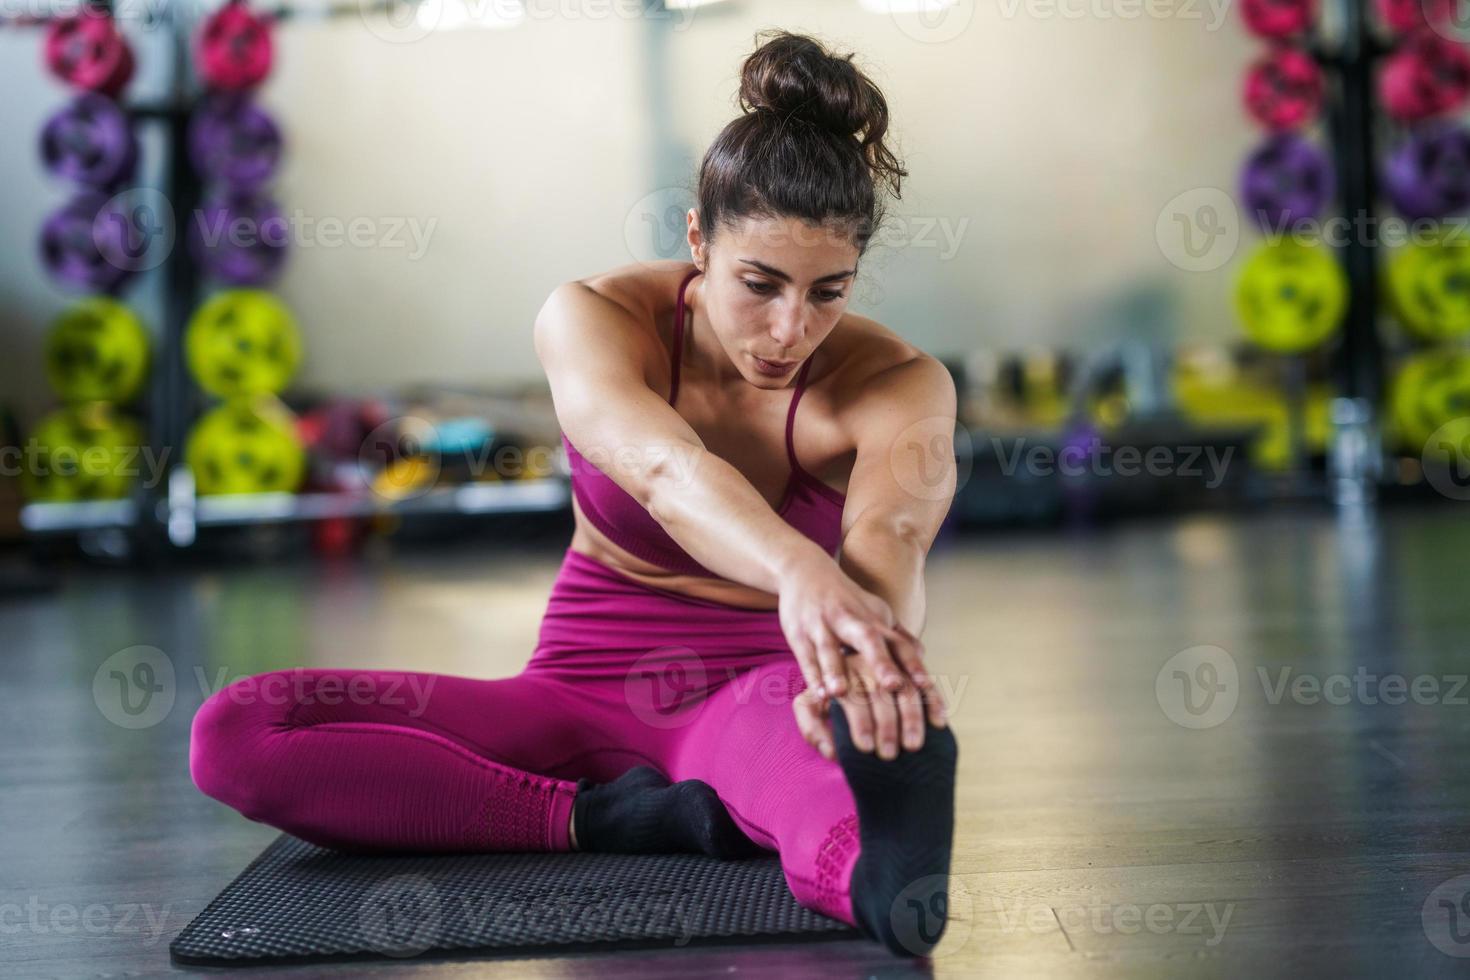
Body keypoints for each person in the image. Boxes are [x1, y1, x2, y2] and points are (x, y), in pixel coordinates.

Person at [190, 30, 960, 957]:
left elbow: (891, 535)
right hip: (573, 689)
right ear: (696, 240)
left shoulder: (901, 382)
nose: (790, 328)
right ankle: (615, 819)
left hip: (758, 692)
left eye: (827, 292)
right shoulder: (596, 317)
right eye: (759, 284)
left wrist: (863, 666)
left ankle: (879, 890)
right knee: (235, 733)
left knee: (835, 810)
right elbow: (667, 473)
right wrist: (800, 566)